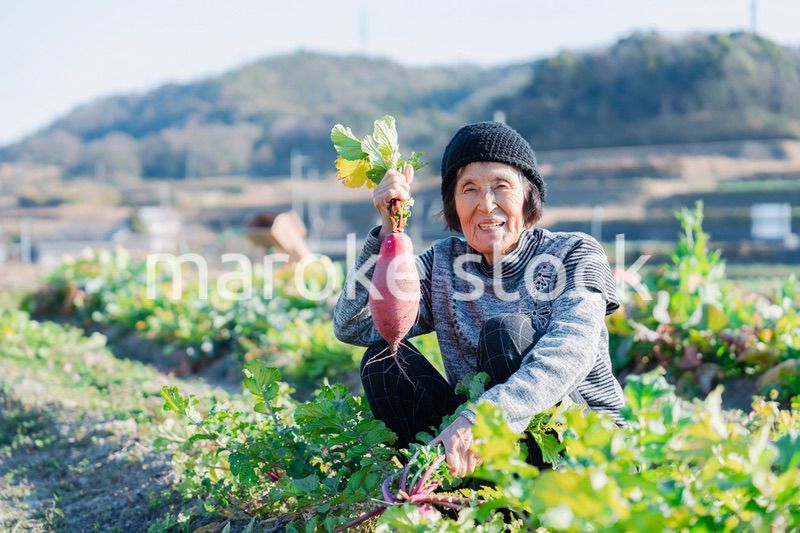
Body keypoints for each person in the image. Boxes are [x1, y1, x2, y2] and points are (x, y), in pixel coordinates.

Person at [333, 121, 625, 477]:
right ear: (453, 204)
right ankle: (450, 487)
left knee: (505, 333)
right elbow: (355, 325)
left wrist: (482, 418)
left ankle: (536, 498)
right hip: (476, 443)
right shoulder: (443, 262)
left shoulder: (574, 252)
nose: (486, 205)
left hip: (584, 451)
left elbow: (570, 354)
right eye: (468, 189)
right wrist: (387, 235)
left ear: (528, 195)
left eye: (501, 186)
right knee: (383, 361)